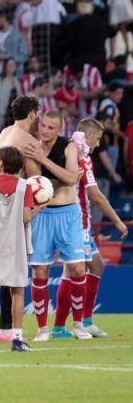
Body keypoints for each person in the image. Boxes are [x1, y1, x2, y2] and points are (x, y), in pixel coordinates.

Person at [22, 111, 85, 342]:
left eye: (51, 127)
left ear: (60, 129)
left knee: (78, 269)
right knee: (40, 272)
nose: (45, 131)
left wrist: (45, 160)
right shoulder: (31, 149)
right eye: (43, 126)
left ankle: (78, 324)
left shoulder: (69, 147)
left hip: (68, 214)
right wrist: (64, 176)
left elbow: (70, 179)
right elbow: (40, 183)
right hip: (43, 215)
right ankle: (42, 330)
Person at [0, 146, 42, 353]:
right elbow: (26, 217)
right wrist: (39, 207)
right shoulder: (24, 187)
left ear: (2, 162)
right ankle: (17, 339)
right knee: (17, 292)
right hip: (15, 247)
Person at [69, 120, 129, 338]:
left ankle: (84, 321)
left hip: (81, 221)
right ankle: (71, 324)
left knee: (94, 267)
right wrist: (117, 221)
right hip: (76, 222)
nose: (96, 144)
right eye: (95, 139)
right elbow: (95, 194)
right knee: (76, 272)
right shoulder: (81, 158)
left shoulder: (75, 154)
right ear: (86, 135)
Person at [0, 58, 21, 134]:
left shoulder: (16, 81)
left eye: (13, 64)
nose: (12, 66)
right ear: (5, 66)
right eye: (9, 64)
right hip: (2, 116)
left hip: (14, 117)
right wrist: (1, 115)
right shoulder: (0, 81)